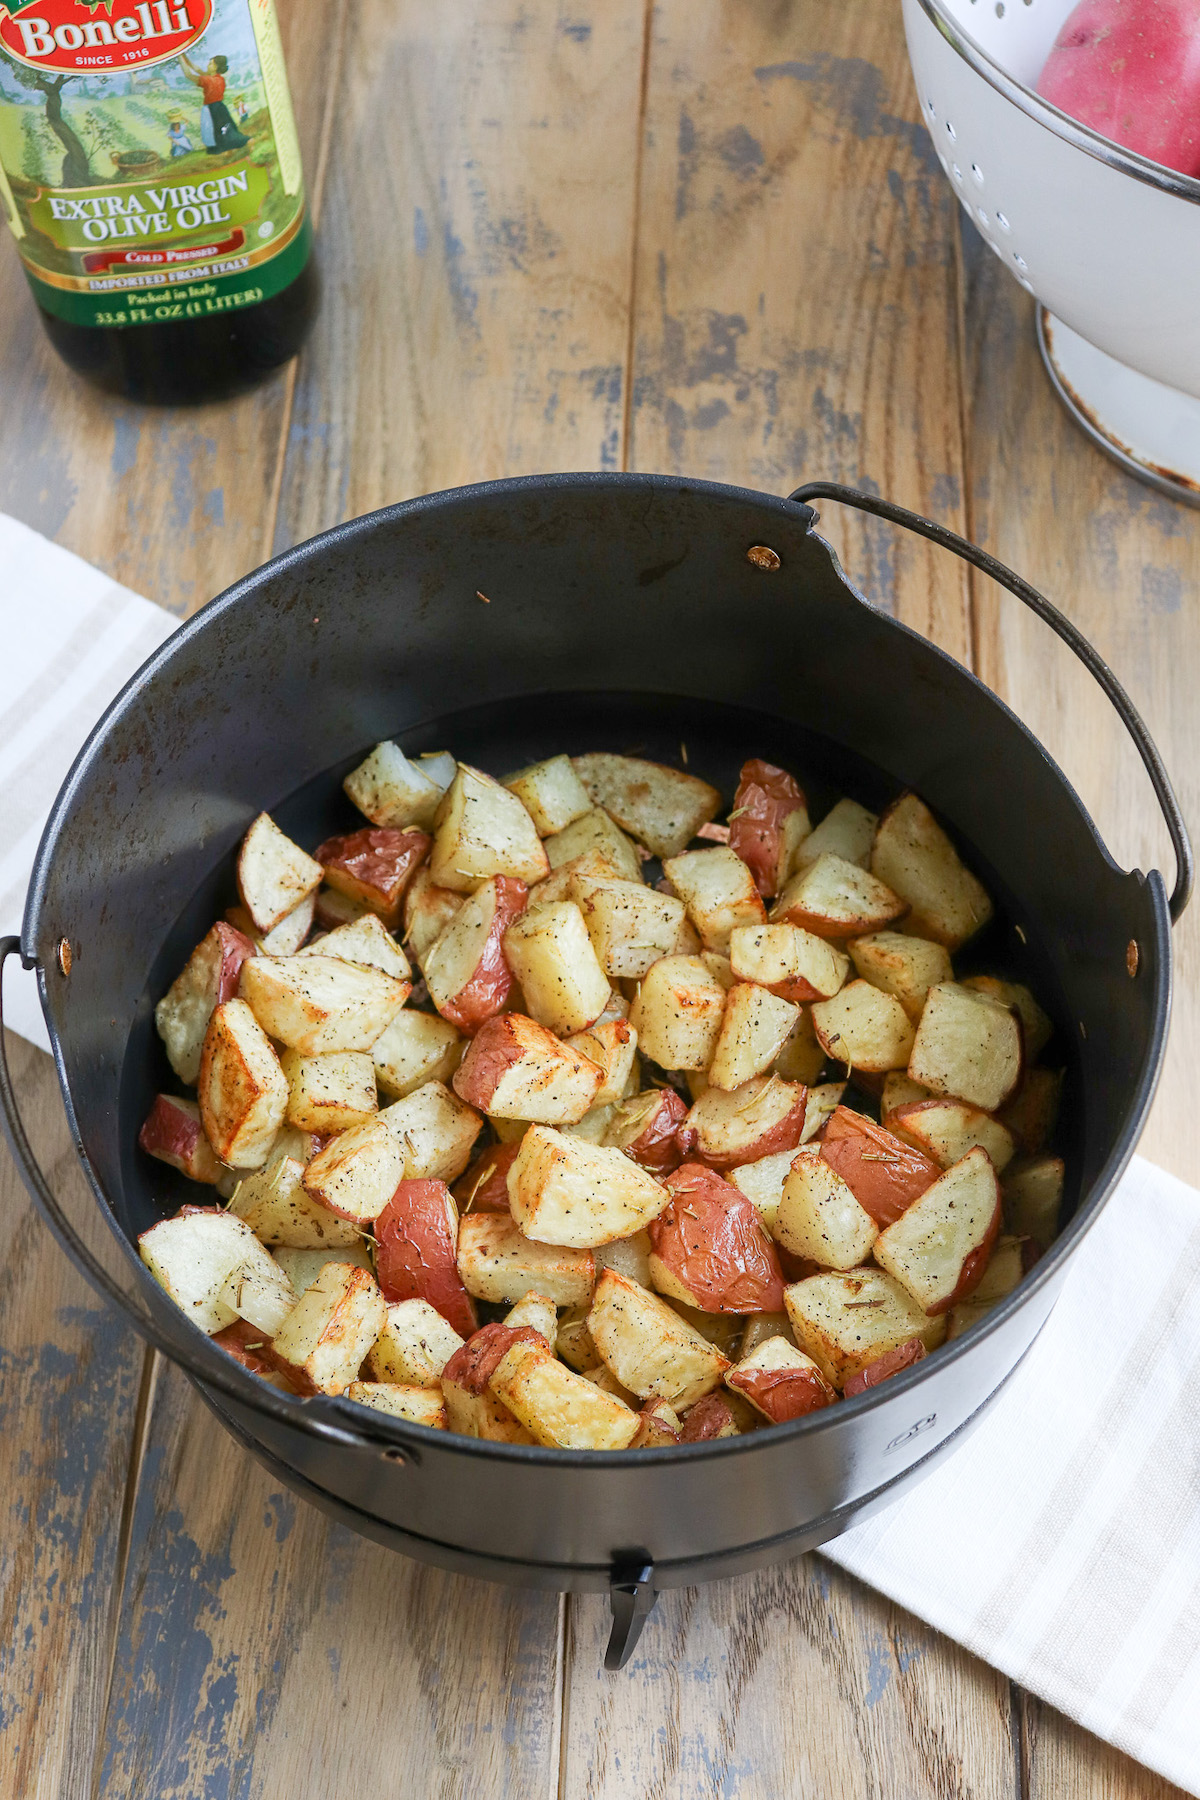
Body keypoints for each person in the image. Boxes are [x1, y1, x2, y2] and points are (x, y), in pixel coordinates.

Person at [177, 52, 249, 155]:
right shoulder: (218, 78)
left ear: (215, 67)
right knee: (226, 130)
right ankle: (230, 147)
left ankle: (219, 150)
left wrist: (179, 56)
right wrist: (183, 54)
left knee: (210, 130)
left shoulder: (208, 80)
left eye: (210, 64)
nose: (207, 65)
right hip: (220, 107)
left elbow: (188, 74)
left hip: (210, 108)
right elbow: (197, 69)